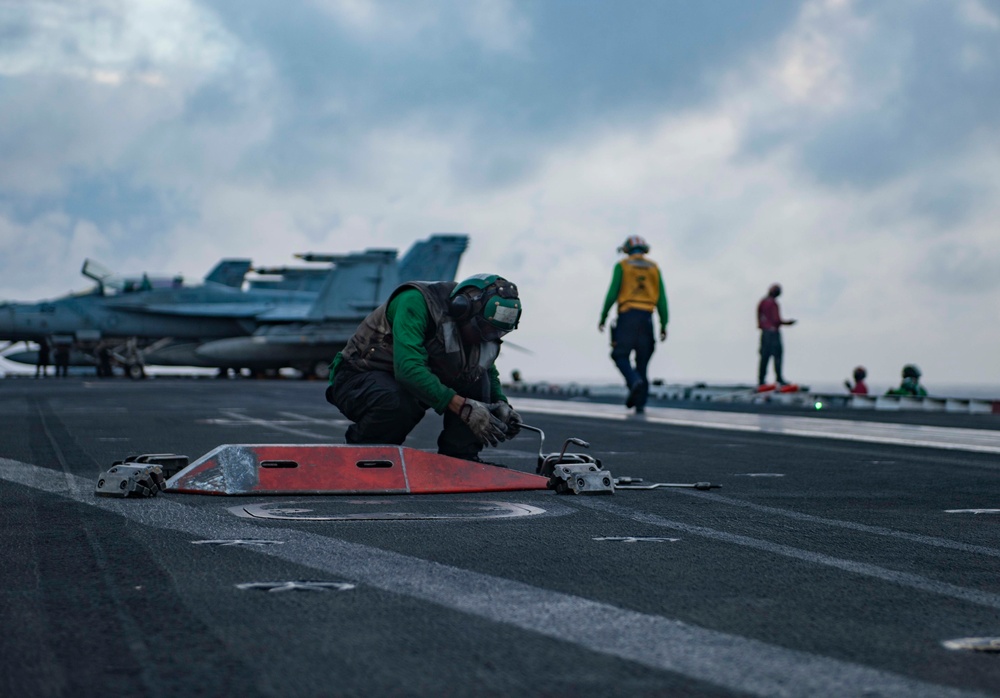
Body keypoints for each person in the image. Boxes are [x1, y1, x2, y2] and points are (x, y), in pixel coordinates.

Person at [326, 274, 523, 464]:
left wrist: (501, 404)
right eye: (485, 329)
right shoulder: (415, 301)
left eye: (497, 332)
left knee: (476, 382)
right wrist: (464, 408)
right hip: (358, 377)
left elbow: (485, 369)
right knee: (397, 400)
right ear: (462, 309)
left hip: (410, 381)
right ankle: (366, 454)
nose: (488, 337)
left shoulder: (481, 333)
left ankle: (460, 461)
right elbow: (408, 369)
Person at [598, 235, 668, 414]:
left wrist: (603, 317)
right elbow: (662, 299)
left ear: (627, 249)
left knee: (619, 355)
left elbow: (612, 293)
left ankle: (633, 381)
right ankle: (640, 403)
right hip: (647, 318)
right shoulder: (654, 268)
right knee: (642, 362)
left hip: (627, 316)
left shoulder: (622, 266)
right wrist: (663, 323)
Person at [757, 283, 796, 387]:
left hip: (766, 332)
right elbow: (776, 320)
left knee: (765, 356)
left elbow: (760, 317)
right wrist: (787, 323)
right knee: (776, 356)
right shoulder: (772, 303)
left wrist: (762, 326)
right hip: (772, 333)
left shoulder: (763, 302)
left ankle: (762, 379)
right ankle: (777, 378)